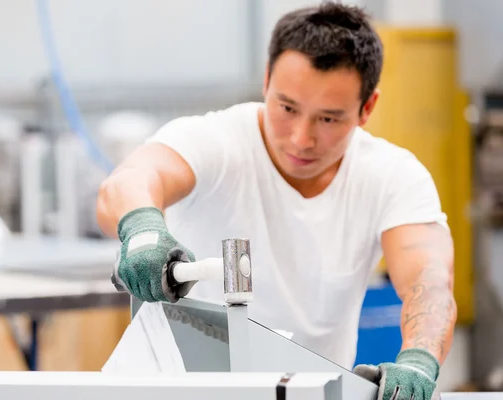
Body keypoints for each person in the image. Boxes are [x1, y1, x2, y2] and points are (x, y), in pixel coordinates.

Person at [96, 2, 456, 400]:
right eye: (287, 108)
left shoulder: (392, 176)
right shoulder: (217, 141)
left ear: (366, 108)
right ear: (267, 80)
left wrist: (418, 360)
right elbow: (131, 180)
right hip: (180, 388)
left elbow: (430, 279)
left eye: (329, 119)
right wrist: (143, 230)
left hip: (309, 392)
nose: (301, 138)